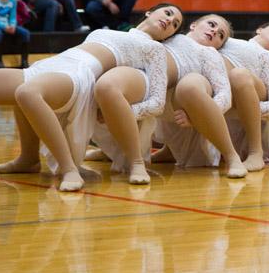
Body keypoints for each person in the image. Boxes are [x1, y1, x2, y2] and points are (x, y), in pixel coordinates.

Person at [0, 3, 182, 191]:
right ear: (150, 12)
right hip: (50, 66)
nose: (169, 20)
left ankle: (69, 170)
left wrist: (119, 111)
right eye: (168, 13)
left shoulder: (155, 49)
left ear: (168, 36)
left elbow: (157, 100)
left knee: (27, 92)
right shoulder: (109, 30)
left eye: (175, 24)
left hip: (79, 75)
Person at [92, 14, 249, 181]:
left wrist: (196, 118)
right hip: (147, 87)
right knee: (110, 83)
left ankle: (232, 156)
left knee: (191, 84)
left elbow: (224, 95)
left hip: (178, 102)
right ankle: (110, 151)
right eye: (211, 24)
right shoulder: (167, 36)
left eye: (221, 35)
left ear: (219, 46)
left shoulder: (209, 53)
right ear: (193, 25)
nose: (214, 31)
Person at [220, 23, 269, 171]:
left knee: (239, 75)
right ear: (259, 29)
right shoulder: (226, 41)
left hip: (244, 103)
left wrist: (244, 107)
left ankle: (255, 152)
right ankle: (171, 148)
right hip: (220, 99)